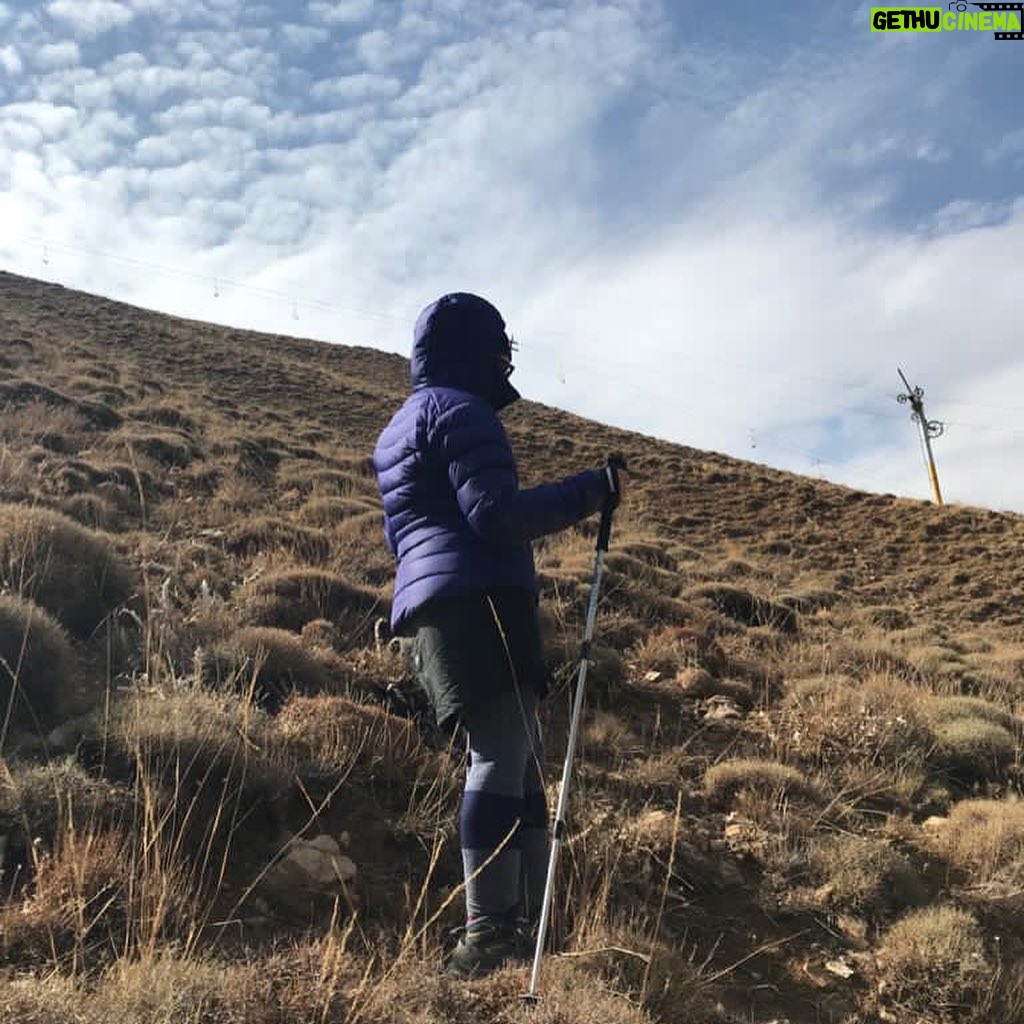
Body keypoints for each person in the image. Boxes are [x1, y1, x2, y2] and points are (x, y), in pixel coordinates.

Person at [372, 292, 626, 978]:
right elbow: (494, 515)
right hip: (479, 596)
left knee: (515, 757)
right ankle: (489, 936)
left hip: (434, 605)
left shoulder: (404, 422)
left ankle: (529, 923)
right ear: (477, 349)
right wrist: (588, 491)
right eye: (500, 346)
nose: (506, 359)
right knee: (503, 751)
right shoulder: (462, 410)